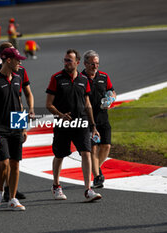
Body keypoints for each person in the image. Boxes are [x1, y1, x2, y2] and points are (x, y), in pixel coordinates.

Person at [46, 49, 102, 202]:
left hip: (81, 122)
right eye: (65, 60)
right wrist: (60, 115)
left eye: (69, 60)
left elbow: (88, 104)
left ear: (77, 63)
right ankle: (56, 186)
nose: (66, 63)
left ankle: (88, 189)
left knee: (86, 152)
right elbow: (48, 104)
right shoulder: (56, 78)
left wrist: (93, 125)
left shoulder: (84, 80)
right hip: (62, 123)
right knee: (60, 155)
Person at [0, 42, 34, 202]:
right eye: (16, 57)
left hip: (16, 123)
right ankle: (2, 190)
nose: (20, 62)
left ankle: (11, 193)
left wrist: (24, 125)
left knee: (14, 163)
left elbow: (20, 99)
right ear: (6, 58)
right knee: (4, 162)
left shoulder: (20, 74)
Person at [81, 50, 116, 188]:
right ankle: (97, 176)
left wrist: (111, 99)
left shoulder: (104, 76)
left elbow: (112, 91)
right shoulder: (80, 78)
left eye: (97, 63)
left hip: (103, 118)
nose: (95, 66)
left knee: (106, 146)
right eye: (92, 64)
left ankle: (96, 167)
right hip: (88, 120)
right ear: (85, 64)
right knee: (93, 149)